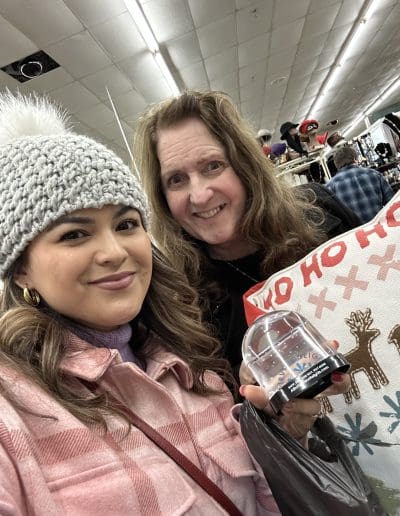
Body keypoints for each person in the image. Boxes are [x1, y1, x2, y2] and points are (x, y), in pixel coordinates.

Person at [0, 92, 337, 515]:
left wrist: (281, 430)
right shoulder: (14, 414)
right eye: (74, 234)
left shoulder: (192, 365)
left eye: (126, 224)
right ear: (21, 270)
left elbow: (266, 499)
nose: (114, 252)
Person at [134, 90, 361, 380]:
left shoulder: (321, 212)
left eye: (213, 166)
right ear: (162, 197)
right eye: (176, 179)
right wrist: (248, 400)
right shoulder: (185, 311)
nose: (200, 196)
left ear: (244, 165)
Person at [326, 145, 394, 223]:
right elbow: (392, 204)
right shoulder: (374, 174)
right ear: (355, 159)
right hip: (380, 227)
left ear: (336, 164)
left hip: (357, 230)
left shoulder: (330, 187)